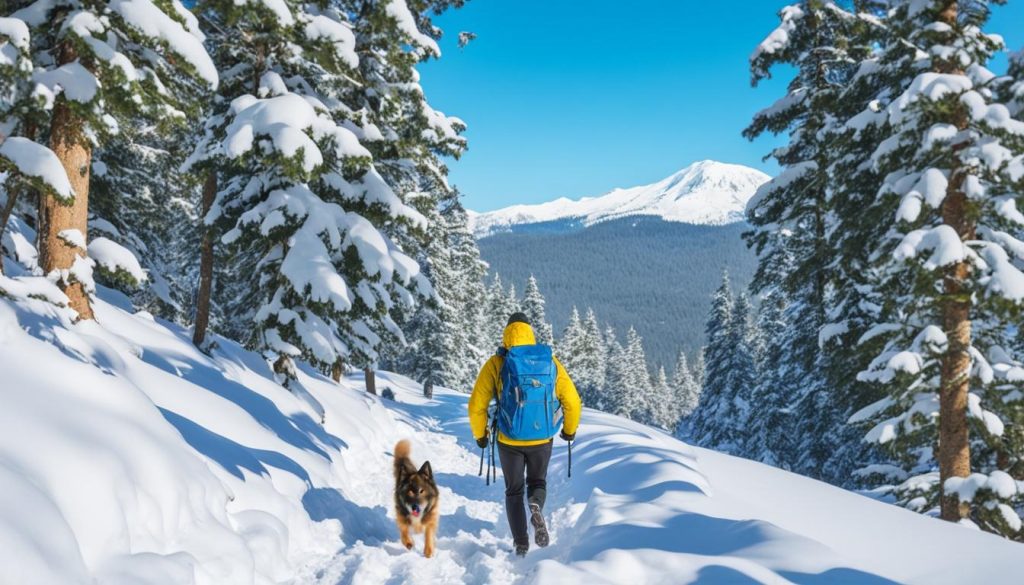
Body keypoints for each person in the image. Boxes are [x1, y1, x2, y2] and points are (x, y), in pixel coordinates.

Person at [468, 312, 581, 557]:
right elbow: (572, 400)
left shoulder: (496, 363)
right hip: (542, 438)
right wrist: (569, 430)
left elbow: (476, 405)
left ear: (506, 334)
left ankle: (521, 544)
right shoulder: (550, 362)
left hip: (508, 439)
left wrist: (481, 435)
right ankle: (536, 505)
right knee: (537, 482)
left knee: (514, 491)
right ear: (530, 334)